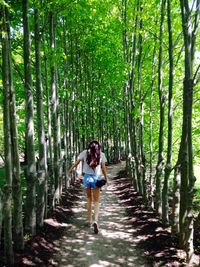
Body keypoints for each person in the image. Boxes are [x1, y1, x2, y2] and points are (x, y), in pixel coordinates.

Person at [68, 140, 107, 234]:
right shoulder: (101, 154)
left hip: (86, 178)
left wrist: (70, 170)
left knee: (89, 199)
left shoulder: (84, 153)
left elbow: (77, 162)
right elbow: (103, 168)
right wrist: (106, 178)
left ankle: (89, 220)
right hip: (96, 179)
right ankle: (95, 220)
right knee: (97, 201)